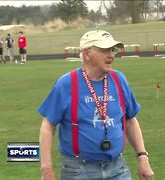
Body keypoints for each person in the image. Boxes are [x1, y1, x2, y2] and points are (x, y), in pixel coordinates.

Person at [38, 30, 154, 180]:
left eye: (113, 50)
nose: (111, 55)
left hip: (117, 168)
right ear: (87, 54)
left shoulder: (119, 80)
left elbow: (130, 120)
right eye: (105, 50)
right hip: (78, 171)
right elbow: (48, 125)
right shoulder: (67, 83)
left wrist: (143, 157)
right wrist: (46, 168)